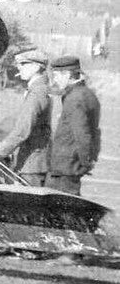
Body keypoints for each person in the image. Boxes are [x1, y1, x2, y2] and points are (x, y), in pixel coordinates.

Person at [0, 49, 52, 186]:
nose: (19, 67)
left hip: (31, 164)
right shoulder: (39, 89)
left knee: (27, 206)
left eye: (24, 63)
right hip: (32, 162)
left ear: (37, 67)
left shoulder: (37, 92)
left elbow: (23, 129)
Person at [46, 55, 101, 197]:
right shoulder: (88, 94)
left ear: (68, 75)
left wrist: (85, 163)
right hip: (71, 166)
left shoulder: (75, 98)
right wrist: (89, 160)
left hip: (65, 168)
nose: (55, 80)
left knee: (58, 209)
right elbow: (95, 132)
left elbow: (82, 135)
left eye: (57, 75)